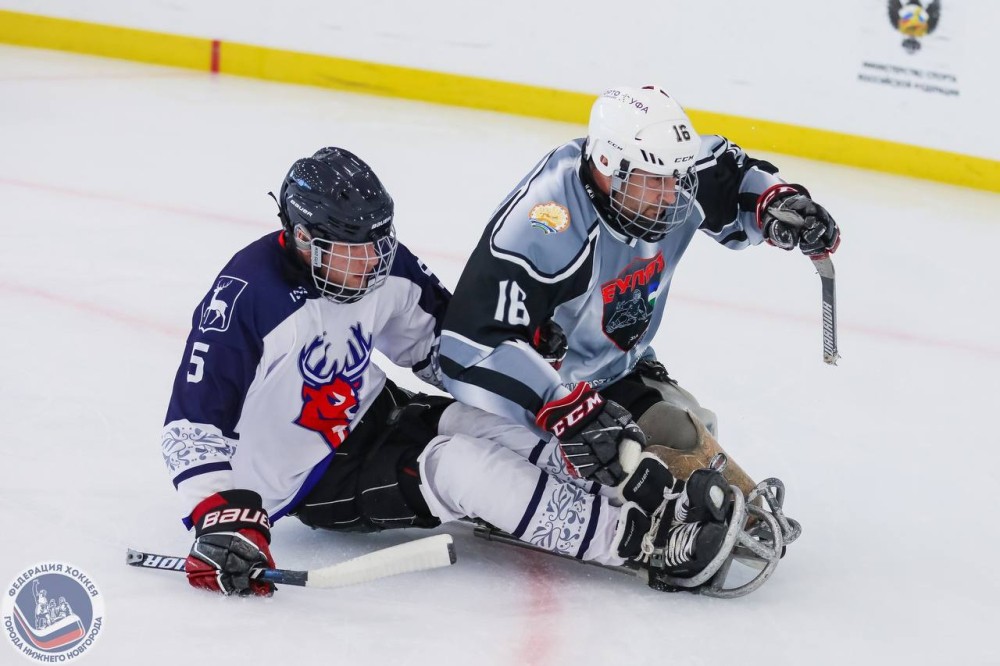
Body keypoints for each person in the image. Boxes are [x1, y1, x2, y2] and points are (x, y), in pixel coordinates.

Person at [160, 146, 736, 597]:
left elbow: (446, 350)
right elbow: (190, 427)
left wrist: (535, 376)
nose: (371, 263)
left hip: (380, 414)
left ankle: (656, 495)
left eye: (377, 243)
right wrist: (221, 519)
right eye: (351, 250)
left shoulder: (377, 261)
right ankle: (640, 542)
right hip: (312, 479)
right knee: (457, 466)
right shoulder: (246, 297)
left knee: (492, 421)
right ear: (303, 239)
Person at [439, 85, 839, 507]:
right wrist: (561, 407)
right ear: (608, 165)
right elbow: (469, 347)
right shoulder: (544, 227)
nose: (672, 197)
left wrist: (780, 203)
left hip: (613, 368)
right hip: (550, 401)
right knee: (645, 470)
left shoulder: (662, 170)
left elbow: (730, 176)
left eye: (676, 179)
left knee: (692, 429)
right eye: (656, 182)